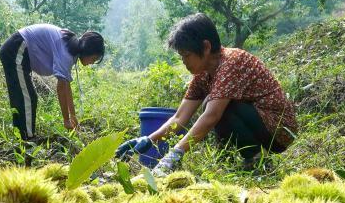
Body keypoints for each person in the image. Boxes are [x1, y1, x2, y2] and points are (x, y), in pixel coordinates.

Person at [115, 13, 297, 176]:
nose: (184, 62)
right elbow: (179, 117)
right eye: (181, 56)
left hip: (278, 130)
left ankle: (257, 161)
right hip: (256, 125)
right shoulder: (203, 74)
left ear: (206, 47)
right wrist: (148, 139)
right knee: (212, 103)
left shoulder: (232, 62)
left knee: (216, 105)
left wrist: (174, 154)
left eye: (186, 55)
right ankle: (234, 162)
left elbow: (212, 116)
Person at [0, 24, 104, 141]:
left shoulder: (71, 49)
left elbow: (66, 87)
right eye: (93, 59)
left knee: (25, 97)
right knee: (27, 98)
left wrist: (73, 118)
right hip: (16, 48)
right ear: (87, 51)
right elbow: (60, 88)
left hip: (20, 51)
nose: (91, 63)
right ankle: (27, 140)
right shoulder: (67, 53)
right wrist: (66, 120)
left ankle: (21, 138)